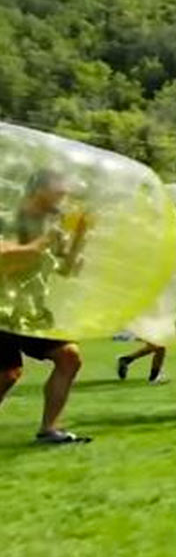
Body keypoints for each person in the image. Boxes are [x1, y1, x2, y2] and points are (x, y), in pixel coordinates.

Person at [0, 169, 92, 444]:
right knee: (8, 374)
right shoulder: (10, 217)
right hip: (1, 309)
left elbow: (66, 269)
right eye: (60, 190)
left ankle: (49, 429)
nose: (64, 197)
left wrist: (79, 237)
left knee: (69, 357)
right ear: (40, 189)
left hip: (30, 310)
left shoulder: (54, 224)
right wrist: (41, 244)